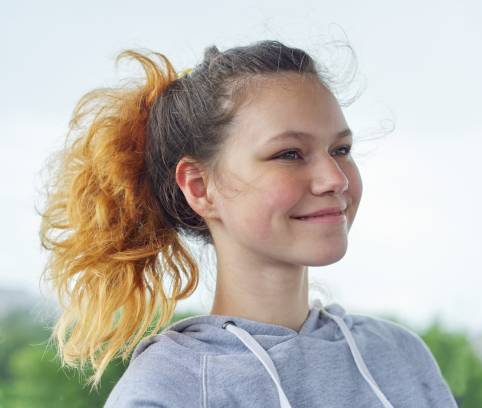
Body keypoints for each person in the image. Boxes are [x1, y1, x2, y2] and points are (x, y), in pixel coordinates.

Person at [39, 40, 458, 407]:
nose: (336, 178)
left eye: (341, 149)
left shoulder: (398, 356)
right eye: (289, 153)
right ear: (200, 187)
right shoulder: (170, 390)